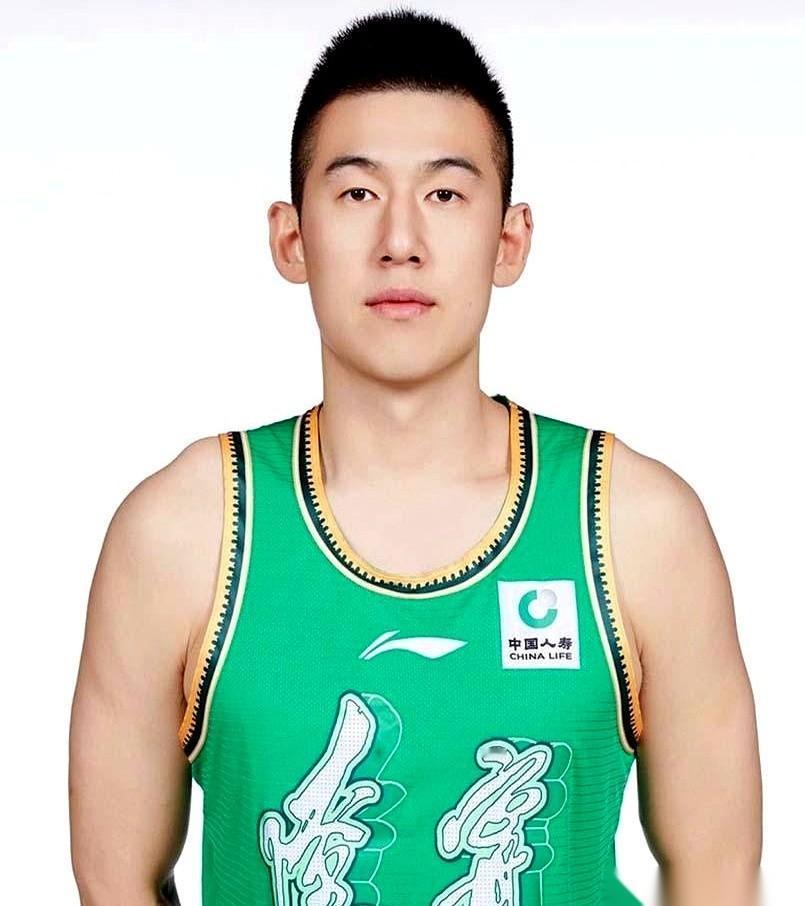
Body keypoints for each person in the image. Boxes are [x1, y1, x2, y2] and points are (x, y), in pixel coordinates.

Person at [68, 8, 762, 905]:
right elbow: (114, 881)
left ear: (508, 240)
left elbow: (717, 875)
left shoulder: (634, 526)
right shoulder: (181, 533)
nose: (400, 241)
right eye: (358, 193)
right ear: (290, 237)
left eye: (444, 195)